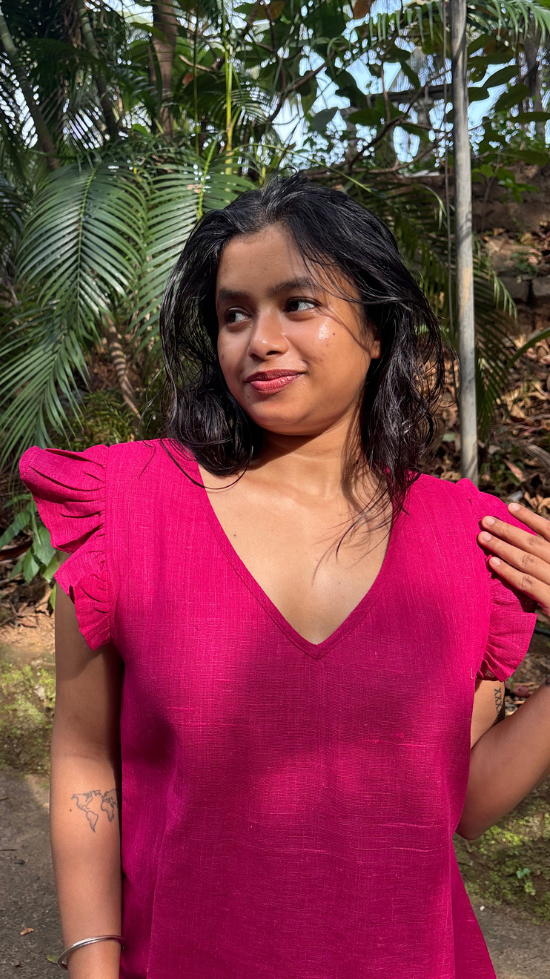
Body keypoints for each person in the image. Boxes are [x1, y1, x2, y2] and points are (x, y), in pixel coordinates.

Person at [19, 175, 550, 979]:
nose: (259, 340)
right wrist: (94, 963)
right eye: (235, 314)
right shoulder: (126, 508)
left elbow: (463, 799)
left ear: (377, 328)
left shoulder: (467, 541)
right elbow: (84, 753)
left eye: (297, 304)